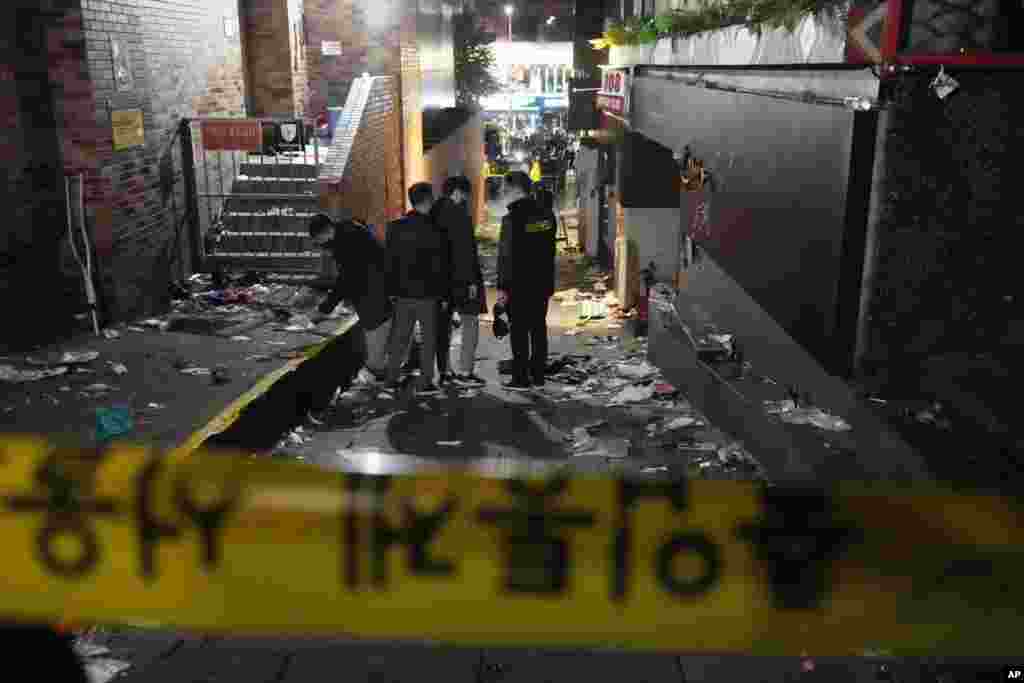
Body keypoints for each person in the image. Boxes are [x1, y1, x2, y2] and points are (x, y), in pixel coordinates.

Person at [309, 213, 393, 381]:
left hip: (372, 289)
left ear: (324, 232)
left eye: (319, 240)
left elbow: (345, 279)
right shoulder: (346, 231)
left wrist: (325, 308)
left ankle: (377, 369)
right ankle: (379, 367)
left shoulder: (346, 240)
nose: (320, 245)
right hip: (373, 287)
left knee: (374, 327)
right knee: (375, 327)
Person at [383, 182, 449, 396]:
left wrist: (391, 291)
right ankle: (425, 383)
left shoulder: (394, 227)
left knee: (400, 338)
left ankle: (391, 379)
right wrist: (444, 294)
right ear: (428, 200)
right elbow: (440, 266)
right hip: (428, 296)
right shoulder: (436, 228)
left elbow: (389, 263)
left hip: (402, 295)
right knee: (428, 339)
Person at [497, 171, 557, 391]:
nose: (503, 193)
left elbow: (506, 256)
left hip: (518, 284)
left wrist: (503, 287)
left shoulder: (512, 219)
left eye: (505, 189)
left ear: (515, 190)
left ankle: (521, 378)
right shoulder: (547, 216)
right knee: (538, 329)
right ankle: (539, 376)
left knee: (520, 332)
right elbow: (548, 250)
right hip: (541, 283)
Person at [431, 175, 486, 387]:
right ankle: (465, 371)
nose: (465, 199)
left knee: (443, 326)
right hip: (462, 280)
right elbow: (464, 251)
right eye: (465, 194)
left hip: (440, 281)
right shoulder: (459, 215)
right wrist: (471, 281)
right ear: (457, 192)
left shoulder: (434, 213)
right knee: (470, 323)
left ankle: (444, 371)